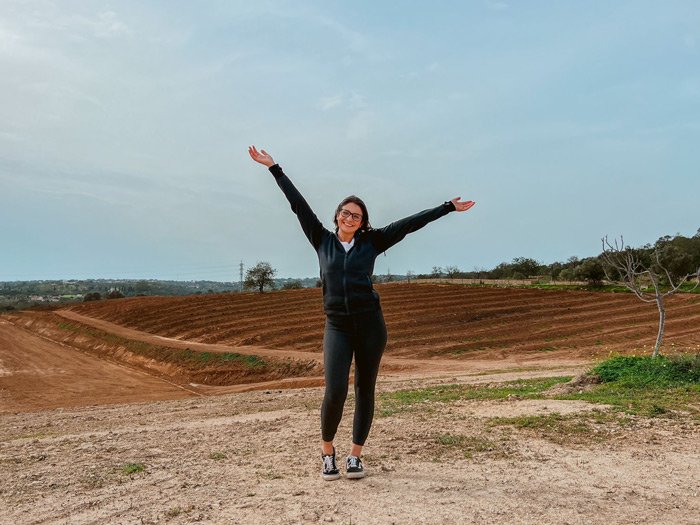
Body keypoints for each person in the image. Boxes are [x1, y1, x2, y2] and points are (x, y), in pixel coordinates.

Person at [248, 145, 475, 480]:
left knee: (365, 389)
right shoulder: (321, 240)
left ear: (363, 222)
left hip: (370, 326)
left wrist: (447, 208)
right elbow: (298, 205)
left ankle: (355, 456)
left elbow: (409, 224)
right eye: (345, 212)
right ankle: (328, 453)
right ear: (336, 215)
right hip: (337, 326)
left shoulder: (373, 243)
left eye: (356, 215)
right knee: (335, 390)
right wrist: (274, 168)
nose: (349, 218)